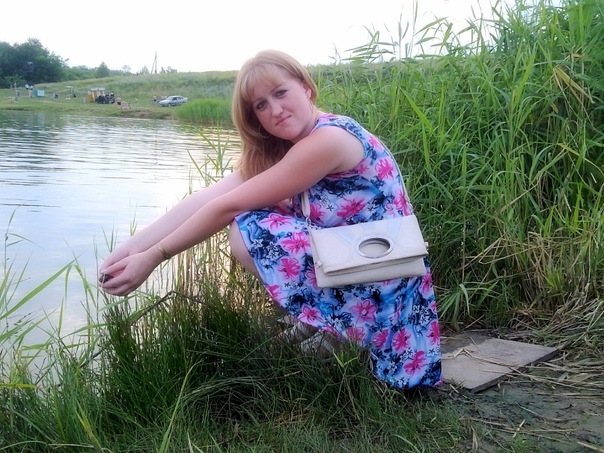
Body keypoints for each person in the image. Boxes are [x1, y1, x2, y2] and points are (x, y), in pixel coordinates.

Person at [99, 49, 442, 390]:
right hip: (362, 264)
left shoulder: (328, 139)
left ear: (306, 87)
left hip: (386, 282)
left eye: (280, 93)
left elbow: (226, 207)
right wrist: (131, 249)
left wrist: (155, 256)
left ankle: (341, 330)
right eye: (261, 105)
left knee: (248, 227)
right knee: (257, 217)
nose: (275, 110)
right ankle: (324, 322)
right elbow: (206, 198)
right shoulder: (292, 145)